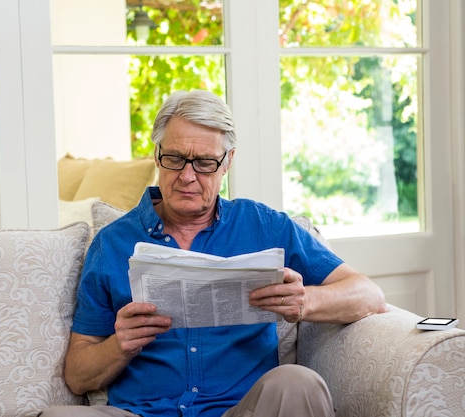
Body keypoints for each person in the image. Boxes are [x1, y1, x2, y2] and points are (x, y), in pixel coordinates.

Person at [41, 90, 387, 417]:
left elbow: (368, 294)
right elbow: (77, 375)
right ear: (157, 154)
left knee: (298, 382)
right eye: (175, 159)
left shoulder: (264, 226)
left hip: (242, 410)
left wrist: (304, 302)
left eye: (205, 162)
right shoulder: (113, 243)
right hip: (141, 412)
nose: (187, 177)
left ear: (227, 162)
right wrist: (120, 345)